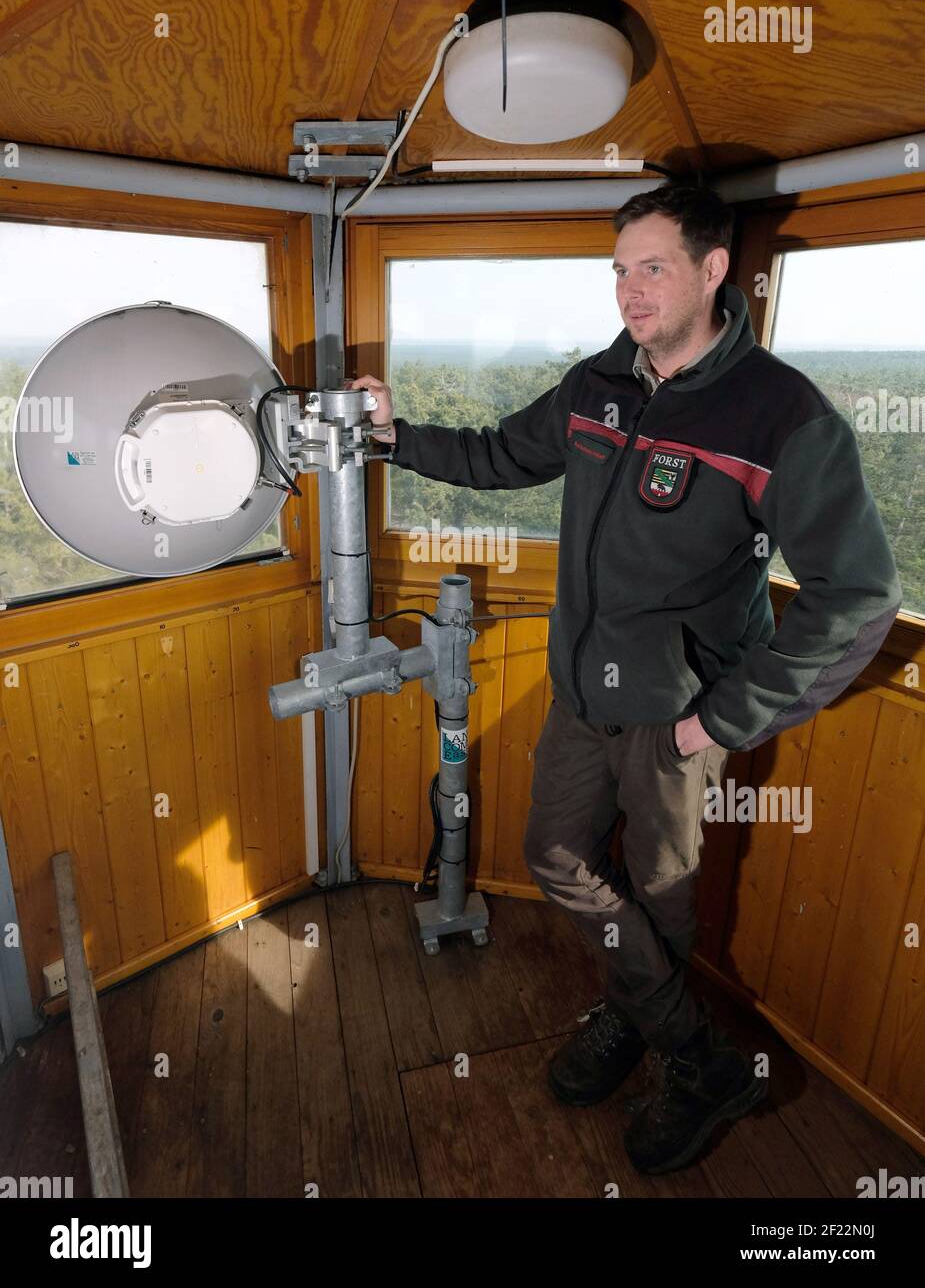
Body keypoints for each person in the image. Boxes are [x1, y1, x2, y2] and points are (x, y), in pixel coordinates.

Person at [347, 184, 902, 1176]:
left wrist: (719, 720)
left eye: (653, 267)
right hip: (582, 693)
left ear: (712, 269)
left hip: (676, 715)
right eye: (619, 268)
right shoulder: (599, 382)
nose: (630, 291)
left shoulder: (779, 414)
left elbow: (857, 593)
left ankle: (651, 1036)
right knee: (555, 849)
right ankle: (695, 1050)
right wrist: (395, 438)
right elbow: (496, 454)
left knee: (664, 894)